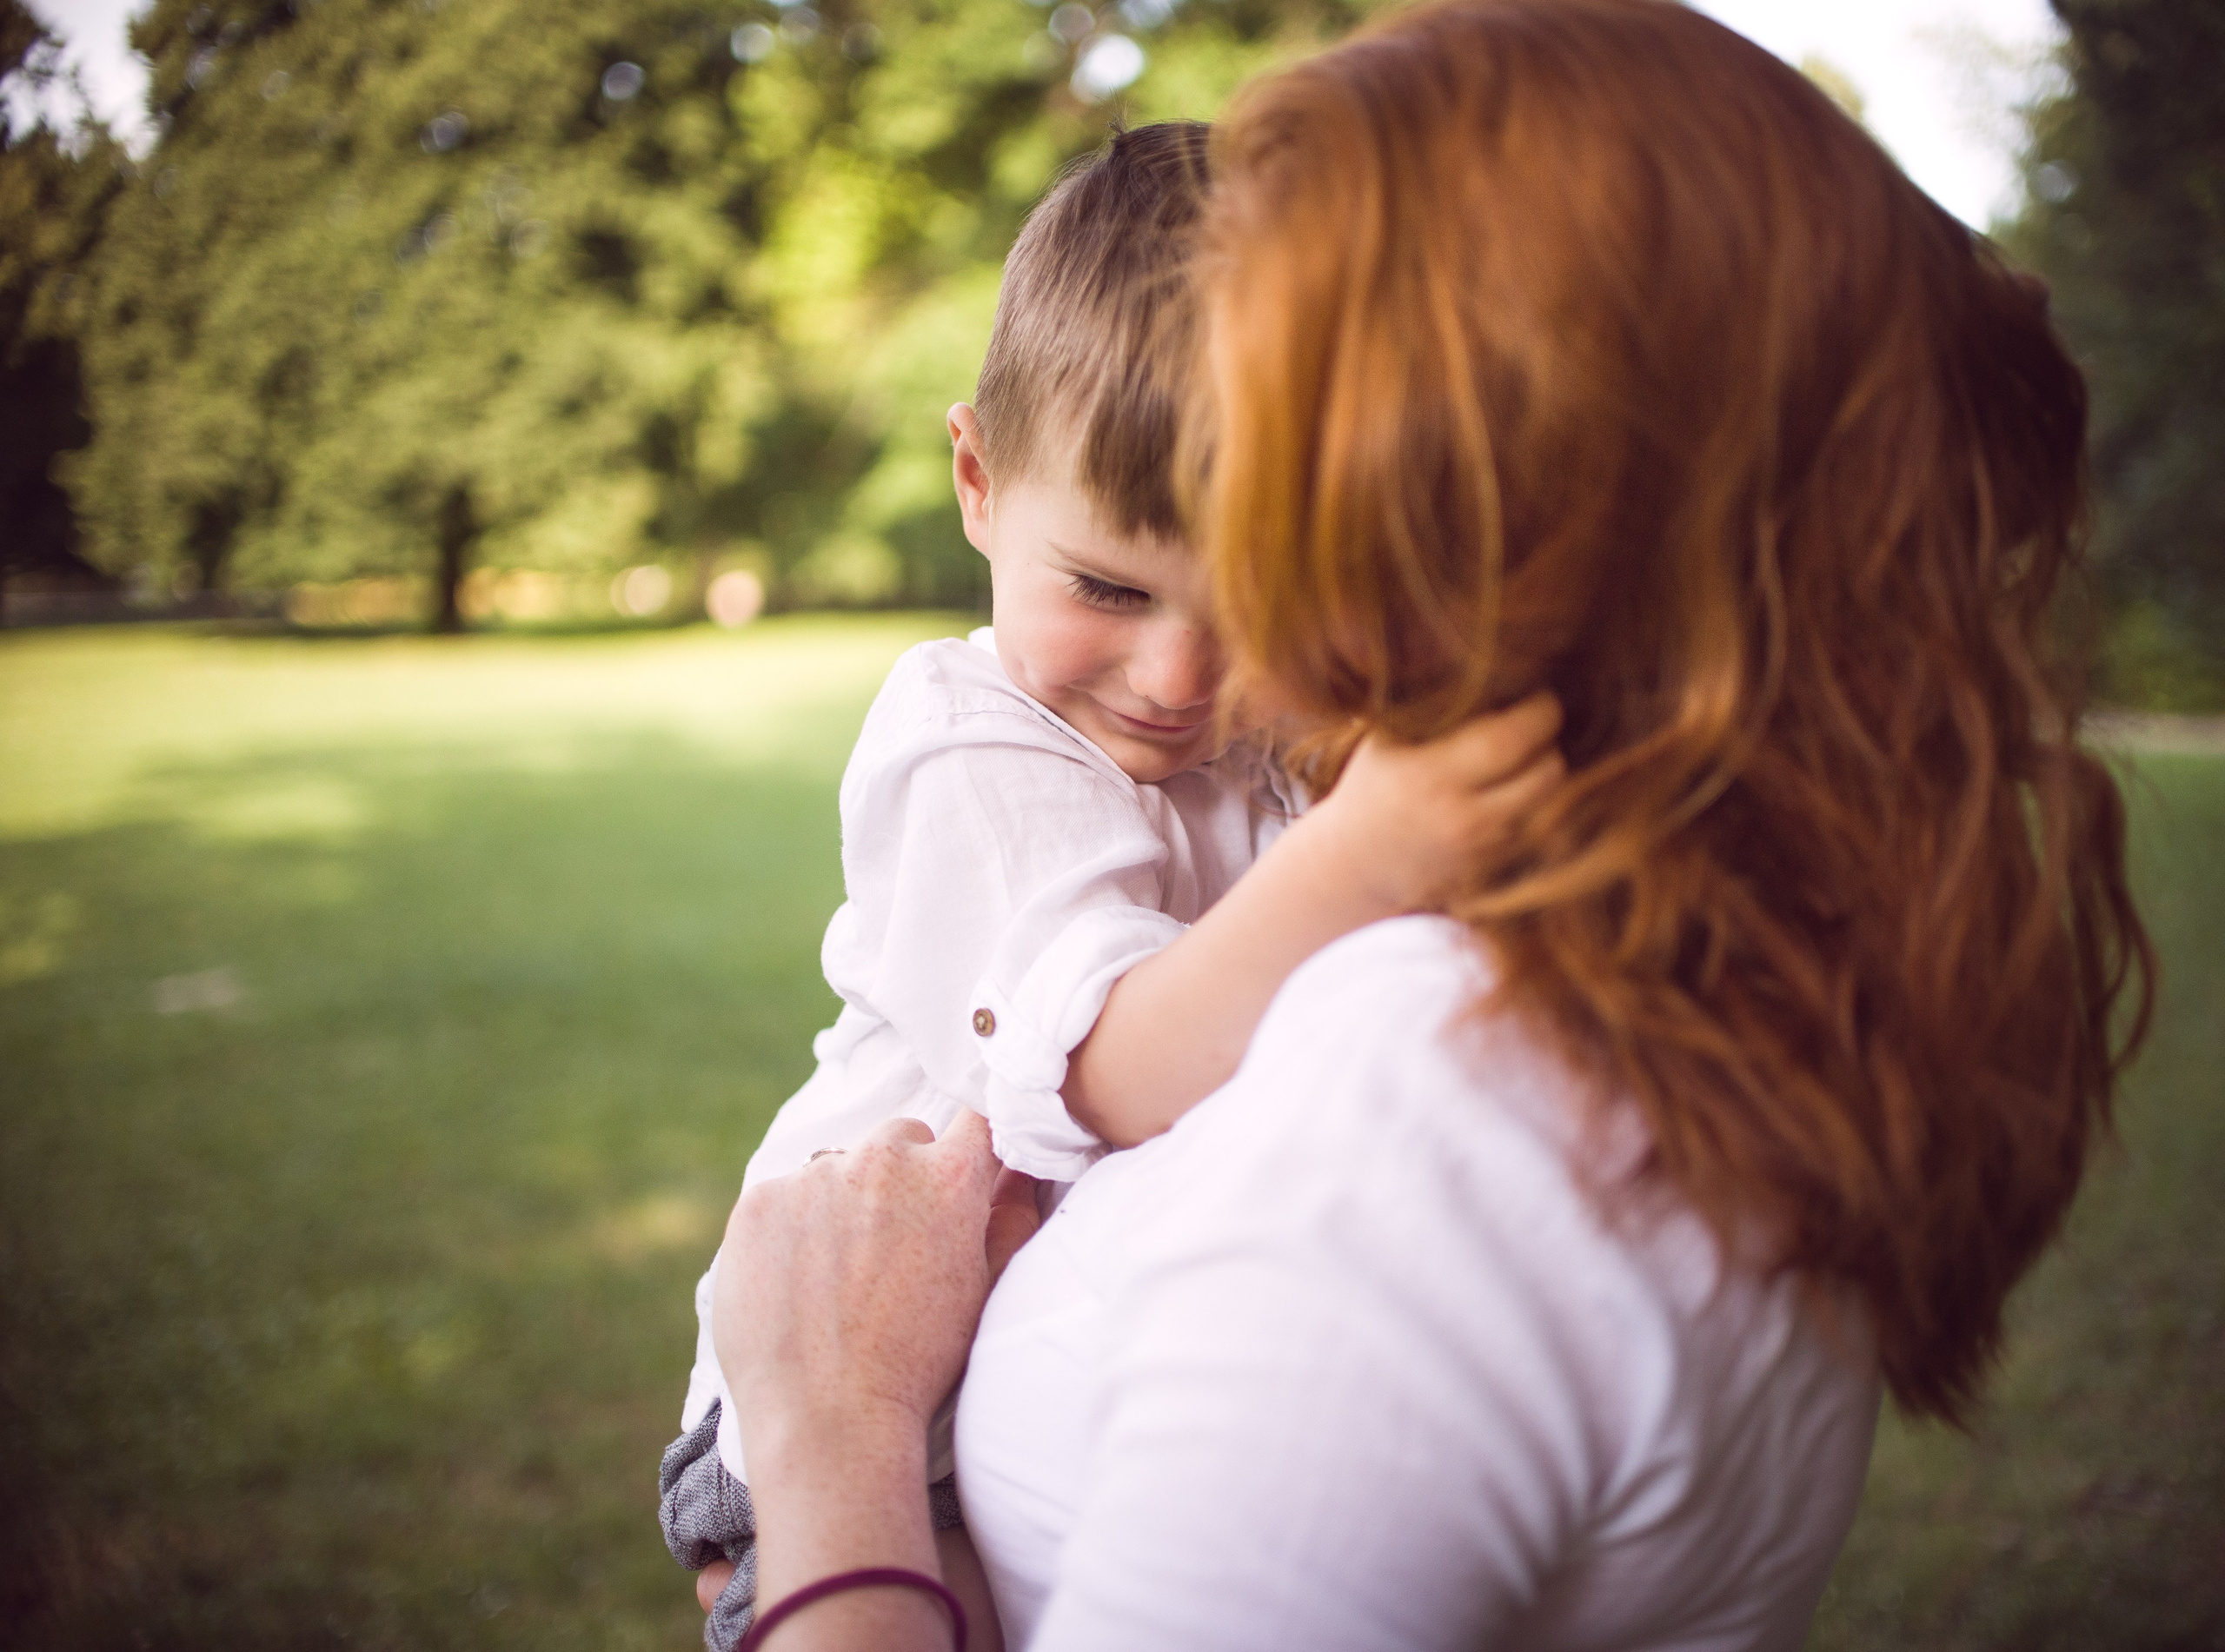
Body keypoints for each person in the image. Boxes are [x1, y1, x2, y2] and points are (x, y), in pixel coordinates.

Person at [699, 0, 2157, 1648]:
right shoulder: (1694, 980)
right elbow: (1109, 1045)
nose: (1202, 665)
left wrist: (840, 1428)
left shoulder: (1434, 1121)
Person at [660, 120, 1564, 1650]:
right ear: (977, 481)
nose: (1182, 673)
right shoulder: (968, 750)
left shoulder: (1266, 743)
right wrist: (1374, 849)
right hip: (852, 1416)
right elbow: (1118, 1063)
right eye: (1109, 587)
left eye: (1261, 598)